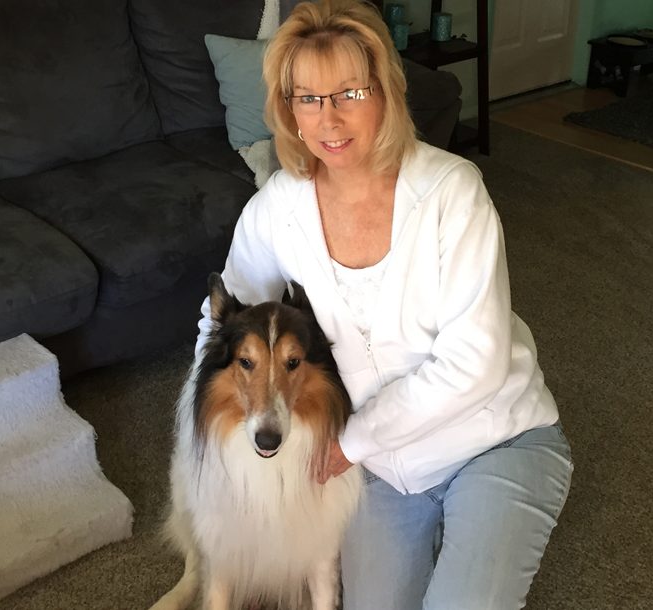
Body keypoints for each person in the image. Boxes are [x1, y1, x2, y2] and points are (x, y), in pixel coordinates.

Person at [193, 0, 573, 607]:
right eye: (307, 98)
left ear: (386, 92)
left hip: (494, 437)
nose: (329, 119)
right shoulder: (277, 208)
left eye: (349, 92)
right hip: (386, 467)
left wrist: (350, 443)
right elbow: (223, 326)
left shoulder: (453, 192)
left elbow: (475, 363)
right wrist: (214, 441)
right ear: (287, 110)